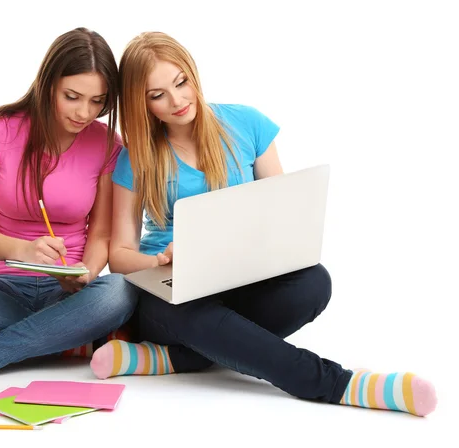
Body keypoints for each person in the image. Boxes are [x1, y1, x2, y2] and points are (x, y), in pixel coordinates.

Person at [89, 31, 437, 417]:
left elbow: (280, 214)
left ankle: (179, 359)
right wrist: (160, 263)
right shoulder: (135, 158)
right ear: (142, 104)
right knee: (186, 315)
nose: (177, 101)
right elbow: (119, 256)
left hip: (239, 278)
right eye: (158, 95)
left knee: (314, 281)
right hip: (170, 294)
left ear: (193, 73)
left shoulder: (247, 123)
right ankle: (340, 384)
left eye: (181, 82)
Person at [0, 27, 138, 391]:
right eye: (73, 96)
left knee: (120, 291)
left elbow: (100, 233)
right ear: (49, 83)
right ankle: (69, 341)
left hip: (67, 293)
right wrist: (24, 251)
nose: (85, 112)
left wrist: (85, 273)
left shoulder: (106, 144)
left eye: (97, 101)